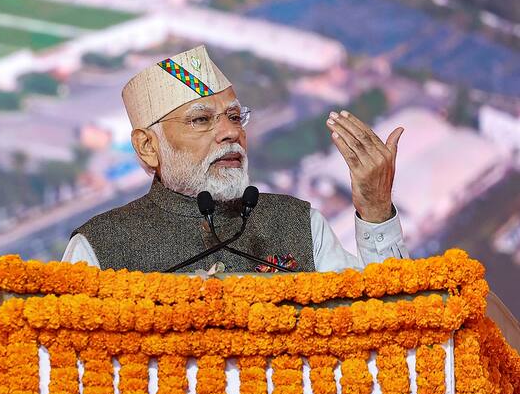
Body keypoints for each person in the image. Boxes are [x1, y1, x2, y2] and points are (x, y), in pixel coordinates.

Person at [62, 45, 408, 273]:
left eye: (234, 117)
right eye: (201, 120)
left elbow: (384, 323)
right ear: (148, 147)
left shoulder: (298, 223)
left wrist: (376, 211)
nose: (230, 132)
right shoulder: (100, 247)